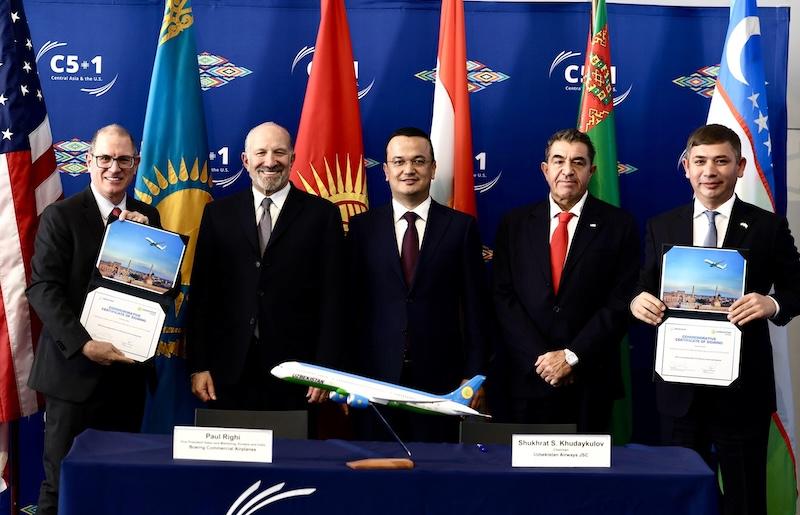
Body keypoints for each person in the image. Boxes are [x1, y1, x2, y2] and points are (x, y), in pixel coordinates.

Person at [630, 124, 800, 515]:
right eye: (701, 161)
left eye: (721, 161)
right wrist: (637, 302)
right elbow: (641, 286)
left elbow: (797, 289)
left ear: (740, 167)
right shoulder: (662, 225)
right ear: (686, 166)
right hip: (678, 392)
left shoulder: (768, 226)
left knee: (744, 499)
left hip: (742, 394)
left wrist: (770, 304)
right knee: (679, 497)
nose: (710, 171)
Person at [26, 124, 161, 515]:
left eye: (123, 159)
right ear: (88, 162)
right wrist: (85, 344)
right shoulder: (61, 216)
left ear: (135, 165)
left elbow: (158, 291)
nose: (113, 167)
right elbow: (42, 289)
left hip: (126, 375)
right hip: (72, 377)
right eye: (105, 158)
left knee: (117, 482)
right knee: (61, 484)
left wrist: (145, 243)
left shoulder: (148, 218)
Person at [187, 122, 344, 414]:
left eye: (279, 152)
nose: (270, 161)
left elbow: (334, 299)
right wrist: (199, 365)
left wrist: (326, 369)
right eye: (261, 153)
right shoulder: (217, 214)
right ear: (246, 161)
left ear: (293, 158)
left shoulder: (323, 216)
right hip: (227, 370)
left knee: (292, 457)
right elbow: (202, 297)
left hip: (299, 373)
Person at [347, 127, 490, 442]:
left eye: (418, 161)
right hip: (373, 379)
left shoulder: (461, 228)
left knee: (437, 474)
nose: (408, 170)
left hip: (442, 381)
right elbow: (350, 307)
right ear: (385, 171)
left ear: (433, 168)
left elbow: (476, 309)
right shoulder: (362, 229)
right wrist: (348, 377)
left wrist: (475, 374)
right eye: (398, 162)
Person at [492, 128, 638, 432]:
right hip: (526, 377)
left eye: (578, 162)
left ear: (592, 171)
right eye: (558, 161)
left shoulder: (619, 225)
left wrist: (572, 357)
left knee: (586, 479)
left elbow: (621, 301)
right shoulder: (514, 224)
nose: (567, 171)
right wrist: (544, 362)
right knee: (523, 478)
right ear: (545, 169)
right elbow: (503, 298)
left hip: (590, 379)